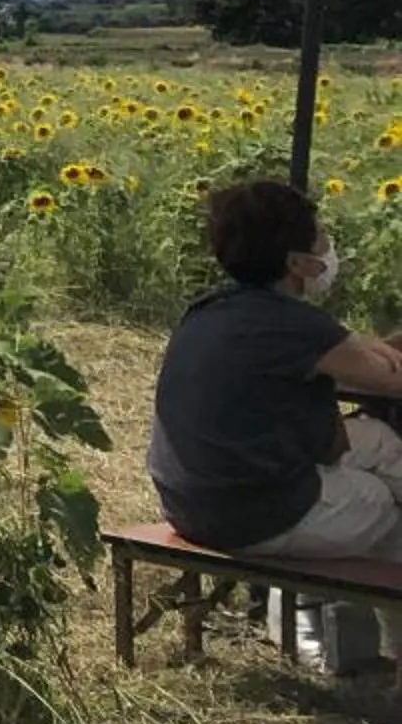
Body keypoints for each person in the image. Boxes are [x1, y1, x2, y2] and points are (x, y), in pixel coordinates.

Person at [148, 180, 402, 588]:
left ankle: (307, 625)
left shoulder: (209, 311)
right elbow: (389, 379)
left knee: (378, 442)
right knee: (385, 505)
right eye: (320, 239)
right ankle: (350, 636)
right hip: (256, 515)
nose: (328, 248)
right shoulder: (297, 328)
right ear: (297, 263)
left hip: (189, 503)